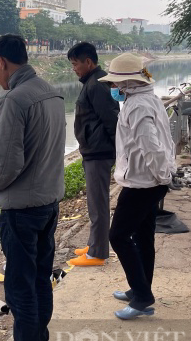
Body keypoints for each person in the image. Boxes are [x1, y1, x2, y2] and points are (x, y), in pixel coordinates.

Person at [0, 34, 66, 341]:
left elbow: (6, 165)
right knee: (40, 277)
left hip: (21, 209)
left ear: (1, 61)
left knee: (20, 283)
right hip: (49, 202)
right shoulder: (52, 92)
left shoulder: (15, 100)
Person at [98, 53, 176, 320]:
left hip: (144, 182)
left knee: (118, 236)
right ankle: (139, 288)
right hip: (150, 179)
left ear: (128, 83)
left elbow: (151, 145)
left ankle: (143, 296)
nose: (113, 90)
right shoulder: (146, 99)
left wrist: (160, 176)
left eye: (115, 85)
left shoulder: (137, 106)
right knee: (143, 235)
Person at [67, 42, 120, 267]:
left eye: (75, 63)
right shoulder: (91, 81)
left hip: (99, 152)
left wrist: (116, 149)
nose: (74, 68)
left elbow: (111, 119)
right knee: (93, 202)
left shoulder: (97, 84)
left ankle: (98, 253)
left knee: (98, 204)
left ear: (88, 62)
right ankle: (93, 243)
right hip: (93, 151)